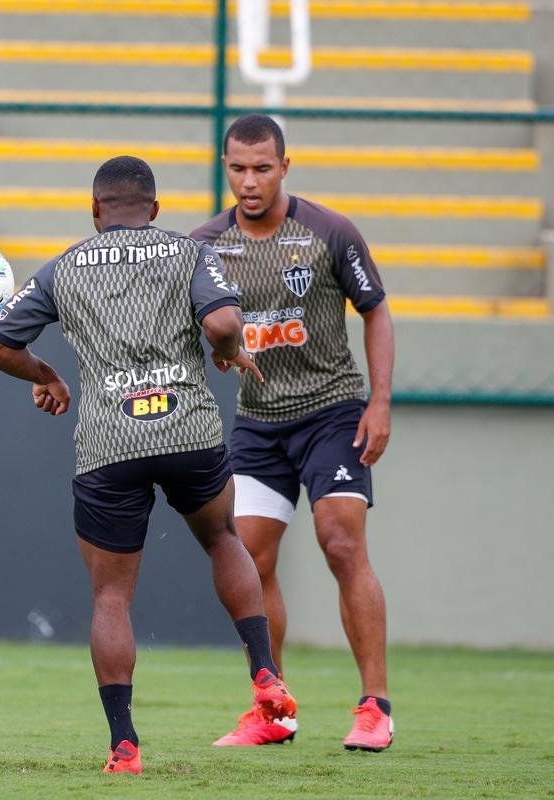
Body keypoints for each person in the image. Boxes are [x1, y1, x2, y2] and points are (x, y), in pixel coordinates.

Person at [0, 156, 296, 774]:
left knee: (111, 596)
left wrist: (45, 373)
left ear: (94, 210)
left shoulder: (63, 266)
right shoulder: (186, 252)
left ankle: (124, 745)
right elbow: (225, 321)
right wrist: (225, 352)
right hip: (188, 428)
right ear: (154, 209)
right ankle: (264, 675)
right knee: (224, 538)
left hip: (110, 441)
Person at [192, 114, 394, 752]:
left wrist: (379, 401)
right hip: (258, 423)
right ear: (225, 167)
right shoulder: (203, 245)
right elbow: (179, 323)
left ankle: (375, 707)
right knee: (250, 559)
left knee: (340, 543)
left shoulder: (330, 232)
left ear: (285, 166)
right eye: (237, 168)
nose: (249, 182)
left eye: (261, 168)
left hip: (332, 412)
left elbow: (376, 311)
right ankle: (272, 706)